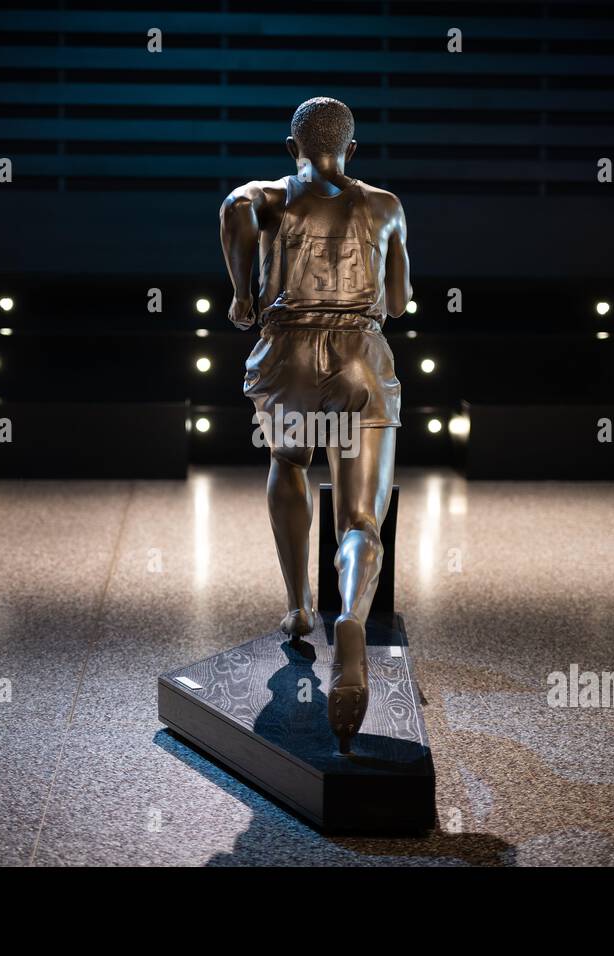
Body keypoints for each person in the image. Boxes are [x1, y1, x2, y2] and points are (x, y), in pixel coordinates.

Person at [218, 96, 412, 753]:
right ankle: (349, 619)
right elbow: (401, 303)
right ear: (351, 150)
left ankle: (300, 604)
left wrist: (243, 293)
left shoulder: (265, 198)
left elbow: (233, 208)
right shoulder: (383, 204)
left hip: (288, 356)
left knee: (289, 464)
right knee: (361, 520)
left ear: (290, 145)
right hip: (359, 359)